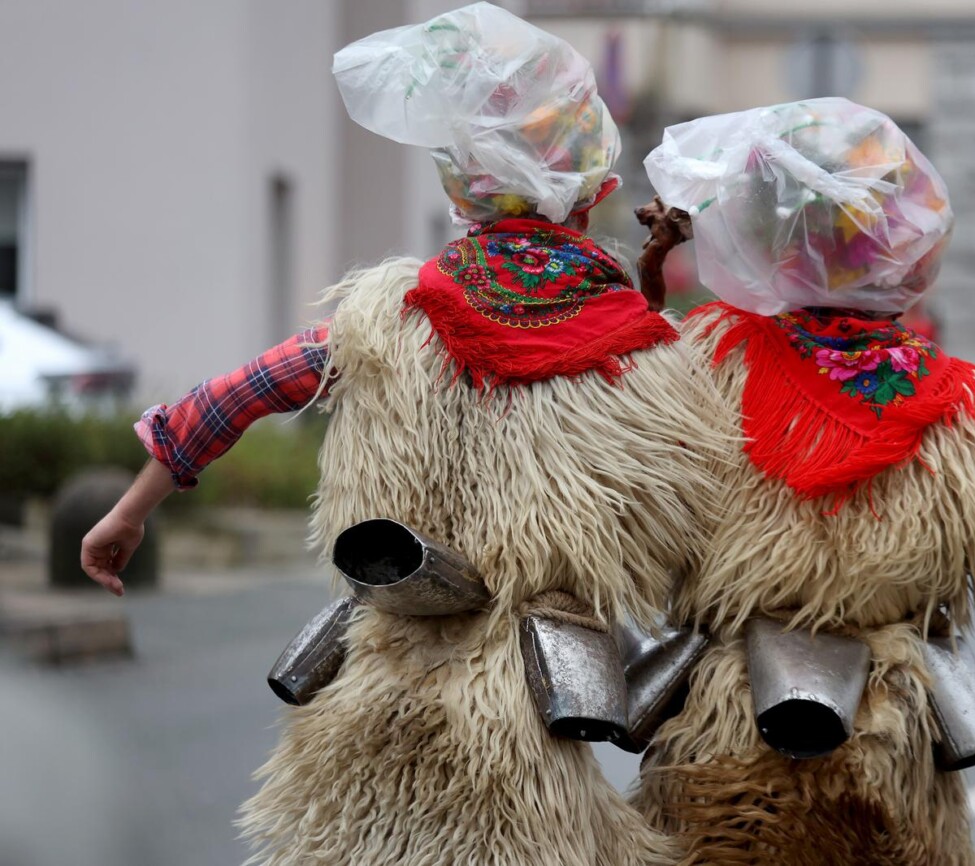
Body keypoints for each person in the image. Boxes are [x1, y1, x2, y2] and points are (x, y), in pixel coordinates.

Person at [81, 4, 724, 863]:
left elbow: (234, 397)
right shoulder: (647, 355)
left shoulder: (381, 319)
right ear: (595, 188)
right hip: (526, 718)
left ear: (457, 183)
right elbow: (702, 515)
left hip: (374, 693)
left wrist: (128, 511)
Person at [628, 98, 975, 865]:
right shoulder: (969, 408)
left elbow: (645, 507)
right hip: (889, 729)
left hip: (723, 727)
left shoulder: (708, 361)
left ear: (767, 235)